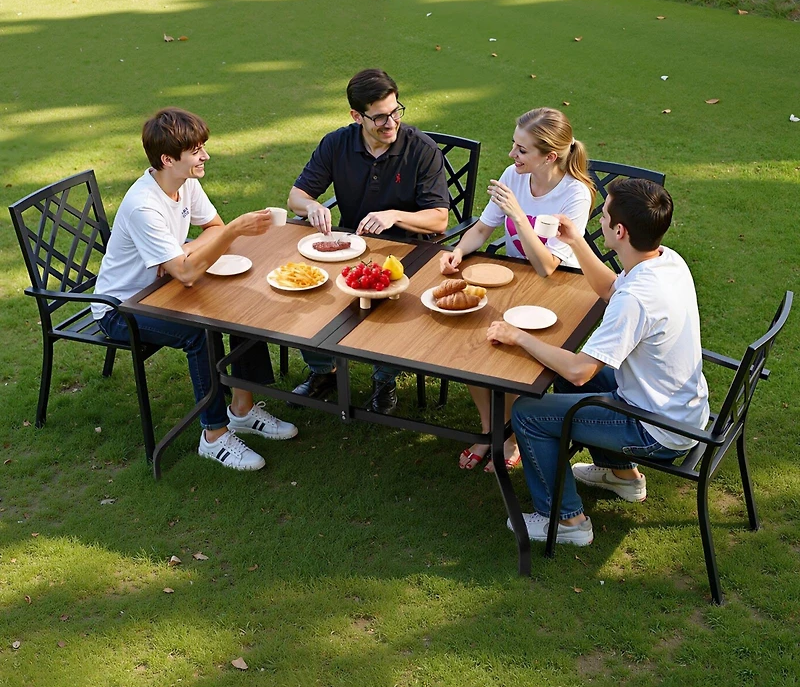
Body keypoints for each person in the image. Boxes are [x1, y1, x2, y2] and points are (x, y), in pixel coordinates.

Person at [485, 177, 710, 546]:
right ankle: (622, 476)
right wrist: (575, 239)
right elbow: (610, 288)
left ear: (619, 230)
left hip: (656, 429)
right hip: (681, 407)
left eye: (603, 215)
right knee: (574, 381)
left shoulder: (637, 298)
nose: (599, 220)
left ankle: (567, 522)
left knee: (528, 412)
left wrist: (517, 336)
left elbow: (578, 370)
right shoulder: (666, 261)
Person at [92, 107, 298, 472]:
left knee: (238, 305)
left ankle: (243, 410)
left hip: (163, 288)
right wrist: (230, 233)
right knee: (201, 333)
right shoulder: (144, 205)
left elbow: (211, 228)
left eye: (203, 146)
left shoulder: (185, 182)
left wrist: (184, 251)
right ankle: (214, 435)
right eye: (197, 150)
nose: (206, 155)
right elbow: (192, 267)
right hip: (122, 308)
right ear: (168, 159)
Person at [439, 108, 594, 473]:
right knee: (473, 341)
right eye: (514, 145)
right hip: (514, 282)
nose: (512, 156)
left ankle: (508, 436)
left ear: (550, 156)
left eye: (522, 150)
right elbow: (482, 228)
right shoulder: (515, 176)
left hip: (558, 292)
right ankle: (491, 429)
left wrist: (520, 216)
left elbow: (547, 266)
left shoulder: (576, 194)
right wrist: (457, 251)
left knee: (507, 351)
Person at [287, 68, 450, 414]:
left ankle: (384, 380)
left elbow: (439, 218)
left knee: (394, 305)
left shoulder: (422, 149)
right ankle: (323, 370)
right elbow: (296, 197)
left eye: (395, 112)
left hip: (409, 252)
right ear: (356, 116)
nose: (390, 123)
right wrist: (313, 205)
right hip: (351, 247)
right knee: (309, 292)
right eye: (379, 117)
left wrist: (395, 215)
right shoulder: (336, 144)